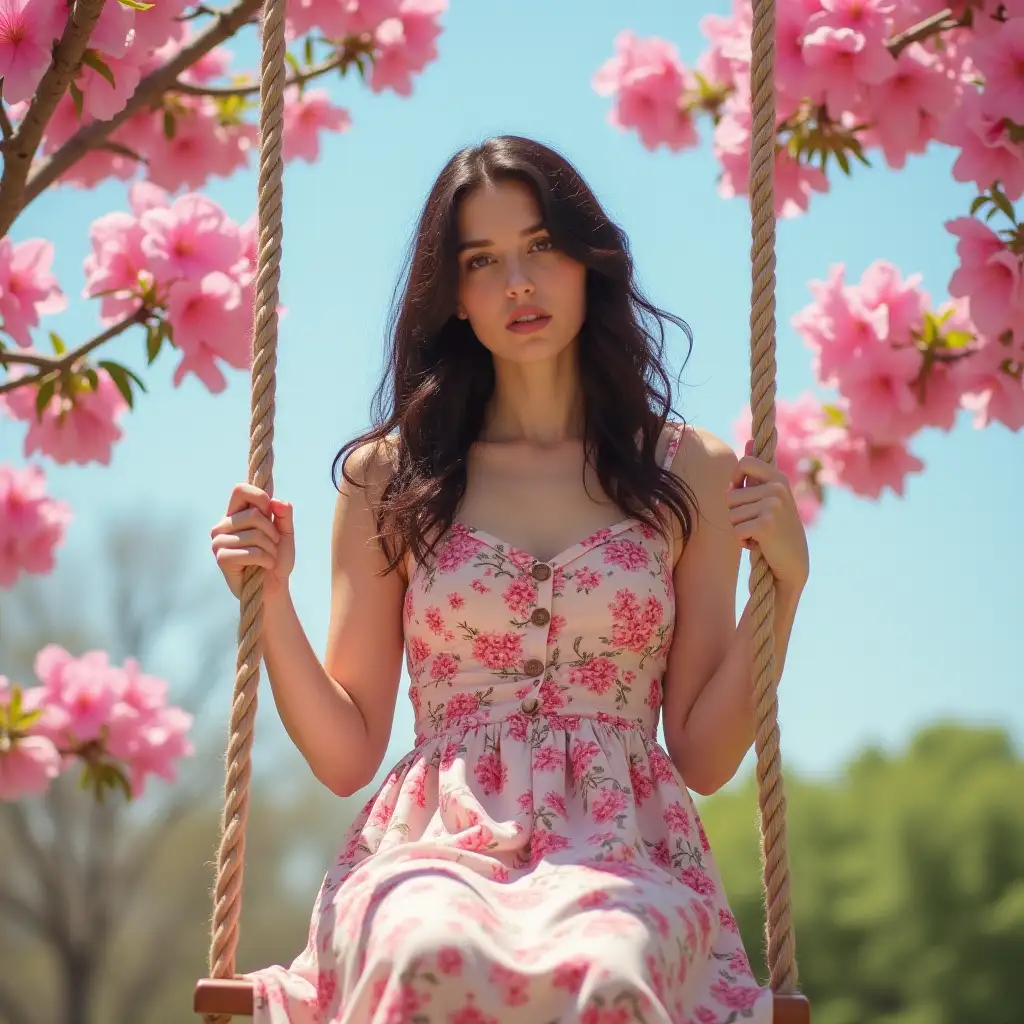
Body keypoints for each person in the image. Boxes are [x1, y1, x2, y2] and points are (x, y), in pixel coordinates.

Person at [210, 135, 809, 1024]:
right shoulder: (391, 477)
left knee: (613, 963)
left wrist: (783, 591)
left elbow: (706, 755)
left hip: (625, 854)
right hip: (436, 848)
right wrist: (271, 599)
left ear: (586, 261)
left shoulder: (690, 472)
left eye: (539, 247)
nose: (518, 283)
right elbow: (345, 754)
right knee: (423, 944)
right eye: (482, 261)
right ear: (452, 296)